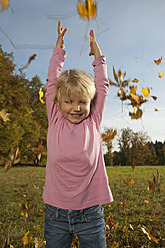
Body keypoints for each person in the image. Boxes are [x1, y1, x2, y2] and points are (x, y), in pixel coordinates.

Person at [43, 21, 113, 248]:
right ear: (58, 102)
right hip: (56, 214)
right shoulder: (55, 118)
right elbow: (52, 82)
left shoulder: (93, 120)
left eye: (82, 102)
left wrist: (97, 54)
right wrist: (59, 50)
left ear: (90, 103)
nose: (75, 107)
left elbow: (102, 85)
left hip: (90, 214)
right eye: (69, 102)